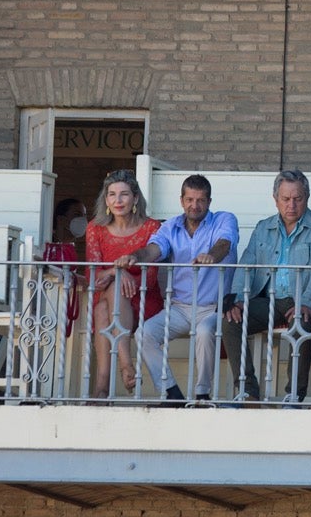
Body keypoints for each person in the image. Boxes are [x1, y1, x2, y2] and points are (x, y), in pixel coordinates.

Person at [116, 174, 239, 404]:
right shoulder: (170, 227)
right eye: (190, 199)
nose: (195, 205)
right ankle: (171, 392)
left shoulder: (224, 219)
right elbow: (153, 250)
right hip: (179, 309)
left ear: (209, 202)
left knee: (204, 332)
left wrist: (211, 256)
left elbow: (225, 243)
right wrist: (134, 257)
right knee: (144, 333)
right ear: (181, 200)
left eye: (201, 200)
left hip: (214, 308)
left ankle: (202, 395)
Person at [222, 171, 311, 404]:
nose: (291, 205)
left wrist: (307, 303)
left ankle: (294, 394)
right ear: (275, 199)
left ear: (307, 197)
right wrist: (238, 299)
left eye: (298, 198)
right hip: (268, 299)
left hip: (301, 299)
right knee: (230, 320)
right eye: (285, 199)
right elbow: (247, 264)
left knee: (302, 322)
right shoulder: (263, 227)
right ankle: (247, 390)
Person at [82, 171, 162, 400]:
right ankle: (126, 365)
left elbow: (153, 277)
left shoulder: (151, 228)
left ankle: (102, 387)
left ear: (135, 198)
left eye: (124, 194)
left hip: (144, 301)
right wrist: (117, 272)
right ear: (106, 200)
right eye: (112, 195)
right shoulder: (95, 228)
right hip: (108, 301)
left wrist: (121, 276)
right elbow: (92, 276)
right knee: (103, 305)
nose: (118, 200)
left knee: (107, 302)